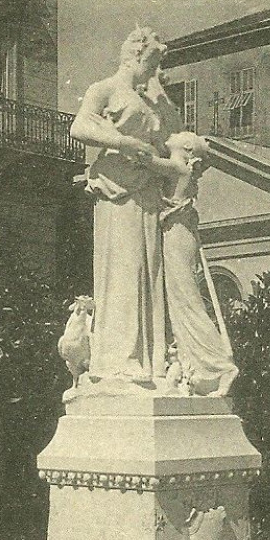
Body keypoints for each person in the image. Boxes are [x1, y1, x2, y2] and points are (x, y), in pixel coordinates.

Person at [69, 28, 172, 383]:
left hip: (147, 191)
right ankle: (120, 357)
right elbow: (80, 126)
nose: (155, 71)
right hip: (117, 189)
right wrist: (123, 141)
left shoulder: (150, 99)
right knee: (124, 270)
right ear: (137, 55)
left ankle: (150, 358)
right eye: (153, 62)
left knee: (148, 270)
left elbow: (169, 135)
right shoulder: (106, 88)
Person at [147, 131, 239, 396]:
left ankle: (220, 364)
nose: (171, 133)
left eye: (177, 135)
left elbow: (144, 159)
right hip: (180, 235)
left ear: (185, 147)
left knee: (186, 301)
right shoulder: (182, 170)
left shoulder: (177, 166)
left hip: (176, 236)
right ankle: (204, 364)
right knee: (183, 301)